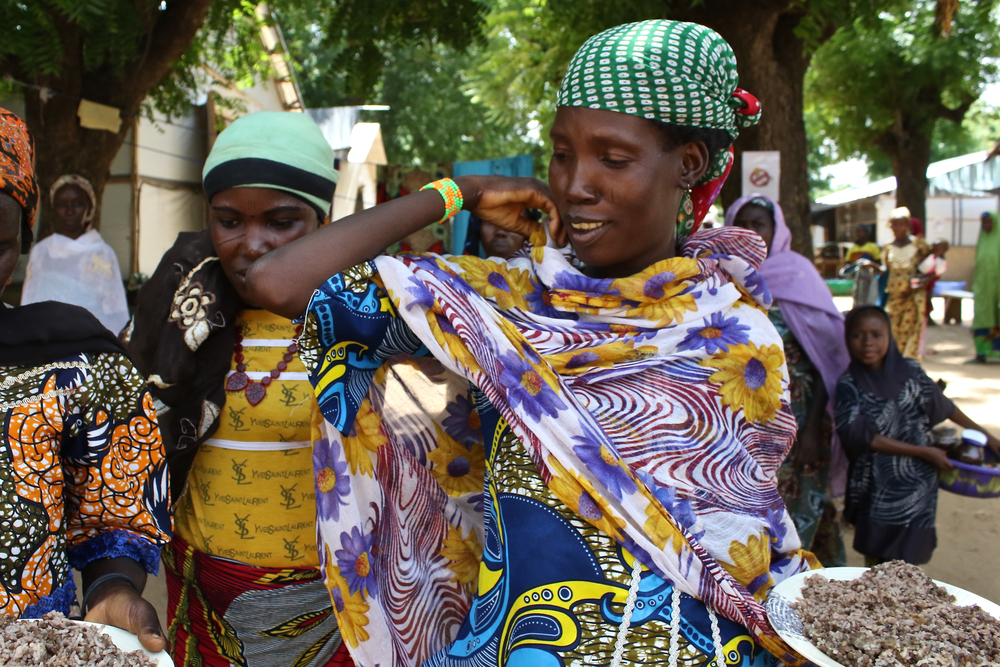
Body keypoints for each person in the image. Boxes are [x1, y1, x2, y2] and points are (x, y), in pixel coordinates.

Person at [247, 20, 817, 666]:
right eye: (563, 152)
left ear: (688, 165)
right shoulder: (498, 305)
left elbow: (748, 541)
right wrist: (453, 194)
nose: (575, 184)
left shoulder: (741, 335)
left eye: (613, 158)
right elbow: (280, 281)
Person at [123, 112, 352, 667]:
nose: (252, 245)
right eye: (229, 220)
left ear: (325, 219)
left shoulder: (361, 317)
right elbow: (127, 447)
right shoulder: (177, 310)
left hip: (335, 606)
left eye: (282, 222)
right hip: (203, 599)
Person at [0, 108, 170, 647]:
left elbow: (114, 507)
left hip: (24, 648)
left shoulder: (76, 367)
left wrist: (114, 587)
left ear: (20, 240)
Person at [726, 194, 850, 566]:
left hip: (800, 417)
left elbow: (827, 361)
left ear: (775, 230)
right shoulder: (717, 276)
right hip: (742, 420)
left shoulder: (798, 276)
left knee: (802, 503)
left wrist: (812, 429)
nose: (749, 231)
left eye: (758, 224)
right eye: (741, 222)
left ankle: (802, 590)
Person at [835, 306, 1000, 565]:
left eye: (876, 334)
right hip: (875, 488)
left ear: (890, 336)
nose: (868, 343)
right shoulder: (849, 384)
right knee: (877, 563)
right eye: (858, 335)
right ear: (847, 338)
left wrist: (987, 437)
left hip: (918, 487)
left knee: (910, 563)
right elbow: (863, 437)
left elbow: (945, 407)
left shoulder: (911, 371)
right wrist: (925, 452)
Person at [20, 174, 130, 333]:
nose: (69, 210)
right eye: (61, 204)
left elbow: (115, 312)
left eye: (77, 204)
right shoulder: (41, 252)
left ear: (90, 208)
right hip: (45, 342)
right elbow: (28, 303)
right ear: (53, 209)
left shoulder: (101, 253)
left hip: (89, 343)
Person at [883, 206, 930, 359]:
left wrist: (920, 283)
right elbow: (885, 269)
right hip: (895, 296)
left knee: (910, 331)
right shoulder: (888, 246)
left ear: (908, 225)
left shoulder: (918, 244)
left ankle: (909, 366)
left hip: (913, 295)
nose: (898, 227)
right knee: (893, 331)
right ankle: (894, 366)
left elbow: (932, 264)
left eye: (902, 223)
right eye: (895, 224)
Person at [972, 211, 1000, 362]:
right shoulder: (981, 240)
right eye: (983, 222)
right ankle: (981, 353)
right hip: (983, 289)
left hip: (997, 289)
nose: (986, 225)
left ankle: (997, 352)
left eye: (989, 222)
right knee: (982, 317)